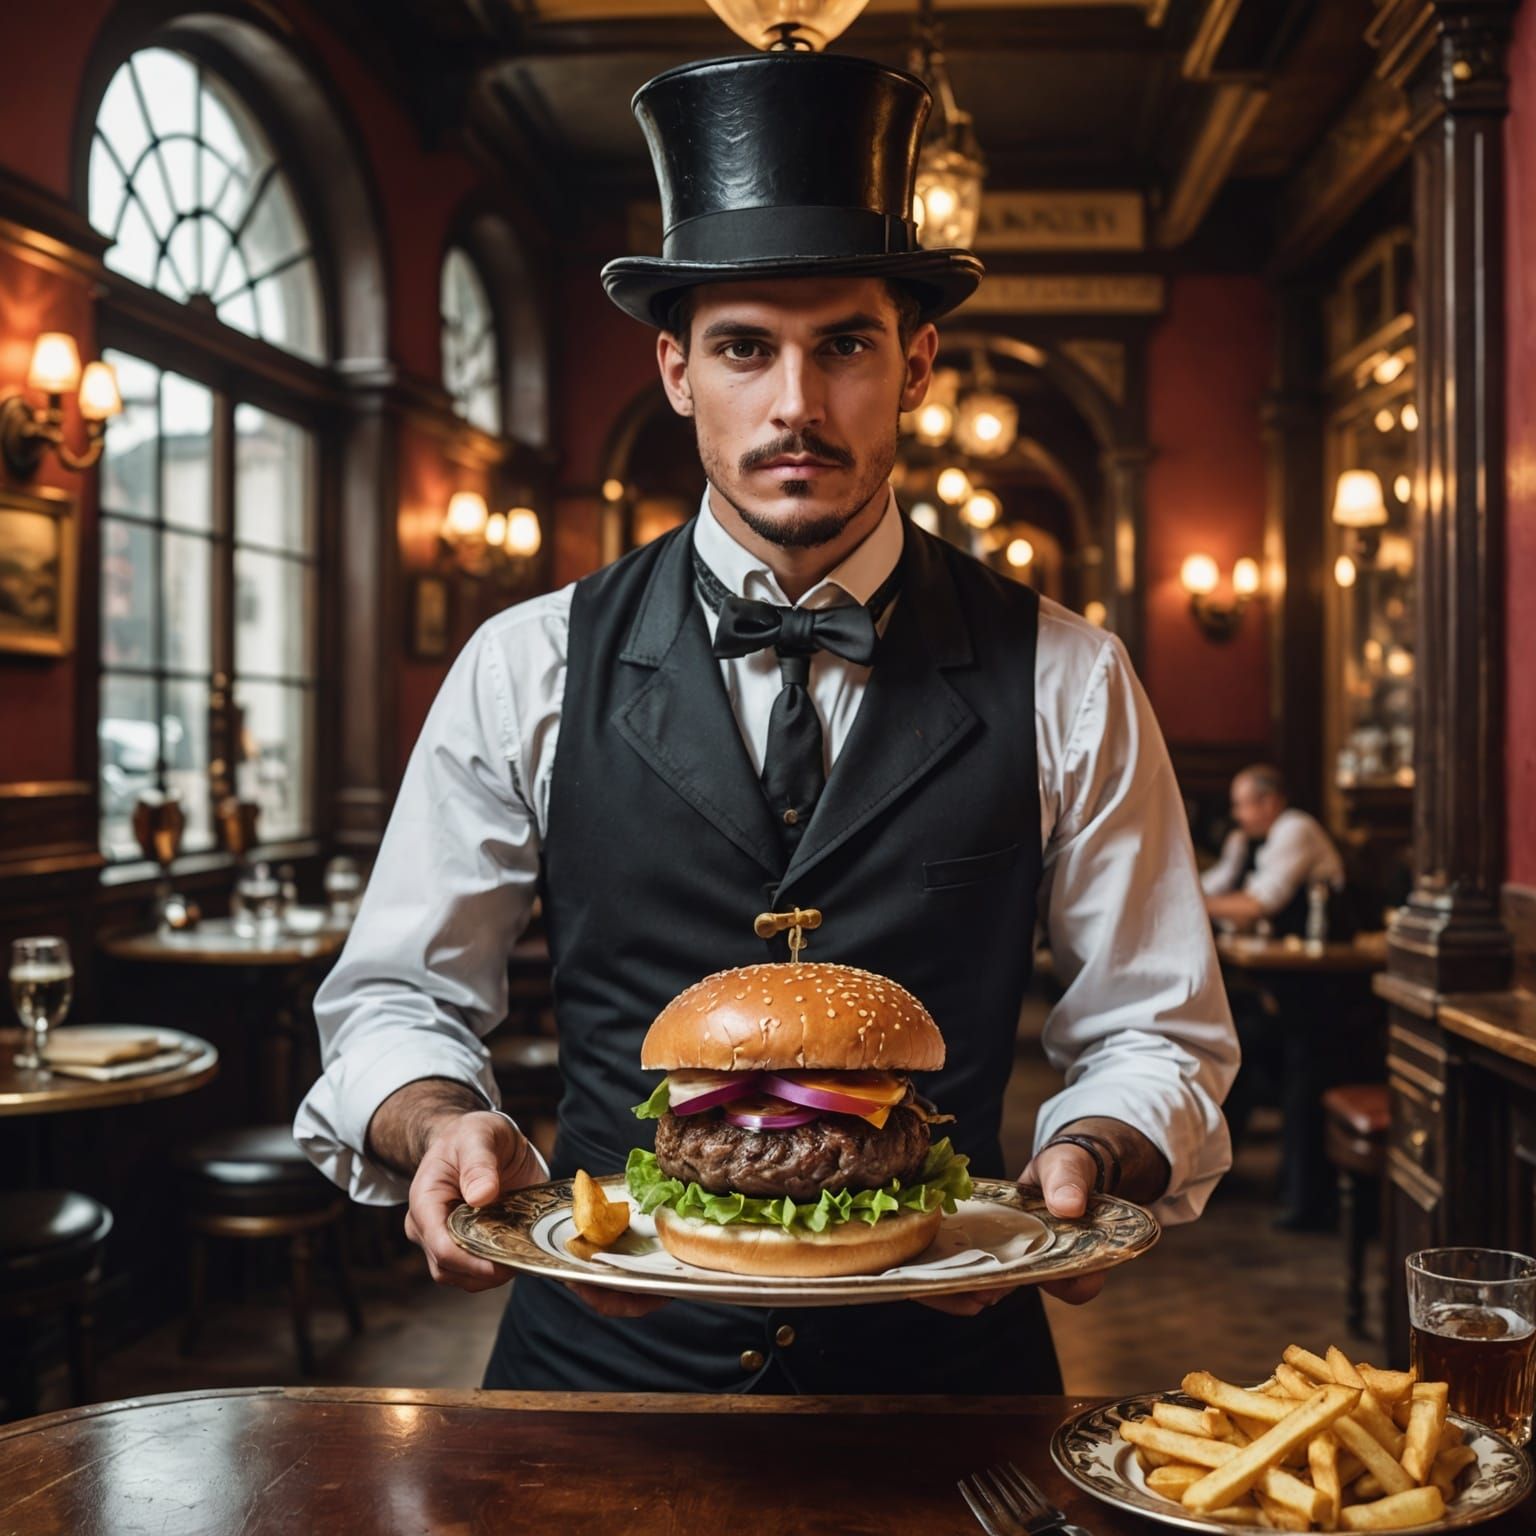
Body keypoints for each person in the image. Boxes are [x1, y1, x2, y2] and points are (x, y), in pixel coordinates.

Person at [294, 50, 1238, 1394]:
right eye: (745, 347)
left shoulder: (1069, 674)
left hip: (944, 1380)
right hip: (599, 1372)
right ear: (677, 370)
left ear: (916, 364)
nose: (796, 404)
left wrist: (1097, 1150)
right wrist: (441, 1118)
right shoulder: (524, 663)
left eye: (844, 345)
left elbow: (1156, 1024)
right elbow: (398, 991)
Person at [1202, 764, 1345, 939]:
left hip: (1320, 945)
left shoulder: (1295, 827)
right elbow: (1217, 882)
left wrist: (1197, 905)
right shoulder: (1244, 839)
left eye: (1241, 805)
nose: (1236, 814)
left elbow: (1260, 903)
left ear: (1268, 803)